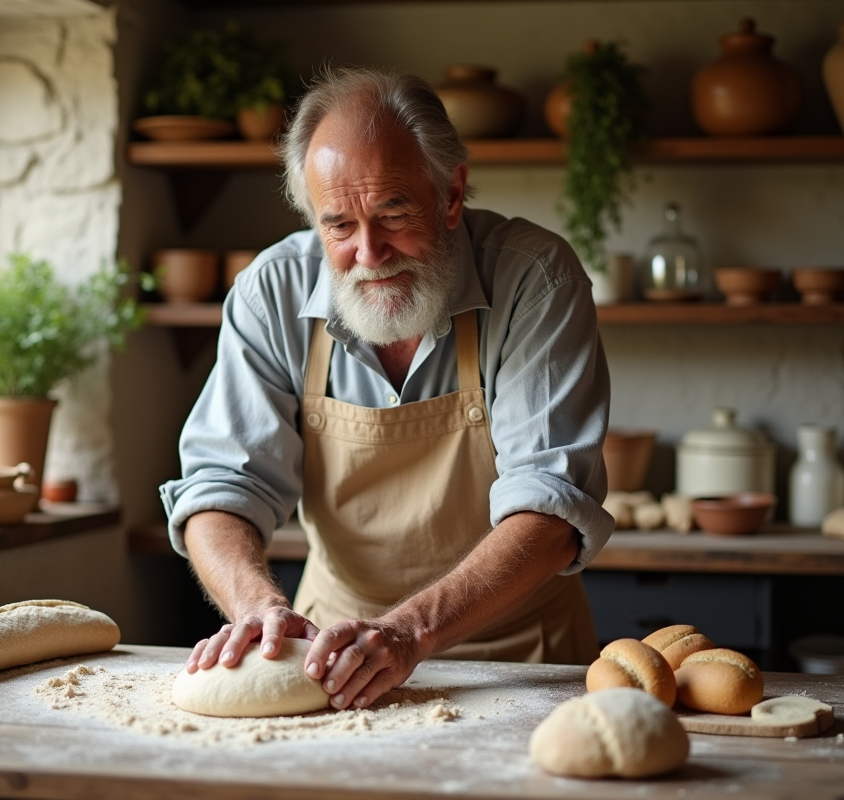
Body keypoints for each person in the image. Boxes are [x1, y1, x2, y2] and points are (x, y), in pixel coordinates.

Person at [160, 65, 613, 712]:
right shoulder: (272, 293)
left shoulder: (534, 280)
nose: (369, 252)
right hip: (330, 660)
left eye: (393, 212)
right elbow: (219, 486)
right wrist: (256, 606)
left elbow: (552, 503)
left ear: (450, 194)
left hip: (521, 659)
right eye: (338, 225)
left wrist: (407, 633)